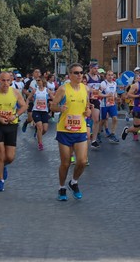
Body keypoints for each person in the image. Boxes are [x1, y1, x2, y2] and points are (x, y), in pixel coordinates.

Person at [50, 63, 91, 201]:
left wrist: (88, 111)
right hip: (64, 130)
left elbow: (87, 107)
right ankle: (61, 187)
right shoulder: (63, 89)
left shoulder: (85, 89)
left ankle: (73, 182)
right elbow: (53, 106)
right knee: (65, 163)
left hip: (80, 129)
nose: (79, 75)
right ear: (70, 75)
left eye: (81, 72)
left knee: (82, 161)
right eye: (76, 73)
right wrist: (60, 108)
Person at [122, 70, 140, 152]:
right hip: (138, 109)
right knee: (136, 128)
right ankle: (127, 130)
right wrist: (138, 95)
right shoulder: (136, 85)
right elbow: (128, 95)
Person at [28, 77, 53, 151]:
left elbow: (54, 98)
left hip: (44, 111)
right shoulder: (34, 90)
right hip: (36, 110)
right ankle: (40, 144)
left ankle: (38, 135)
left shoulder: (47, 90)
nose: (37, 81)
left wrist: (56, 103)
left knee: (45, 129)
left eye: (39, 80)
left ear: (43, 81)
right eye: (37, 80)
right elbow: (28, 98)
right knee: (39, 126)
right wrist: (26, 104)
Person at [100, 70, 120, 143]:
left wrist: (116, 97)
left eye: (112, 75)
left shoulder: (114, 83)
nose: (110, 76)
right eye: (109, 75)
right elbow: (98, 94)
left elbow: (115, 92)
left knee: (115, 118)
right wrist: (106, 95)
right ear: (106, 76)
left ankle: (113, 134)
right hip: (103, 105)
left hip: (112, 104)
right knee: (103, 120)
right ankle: (98, 133)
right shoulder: (103, 83)